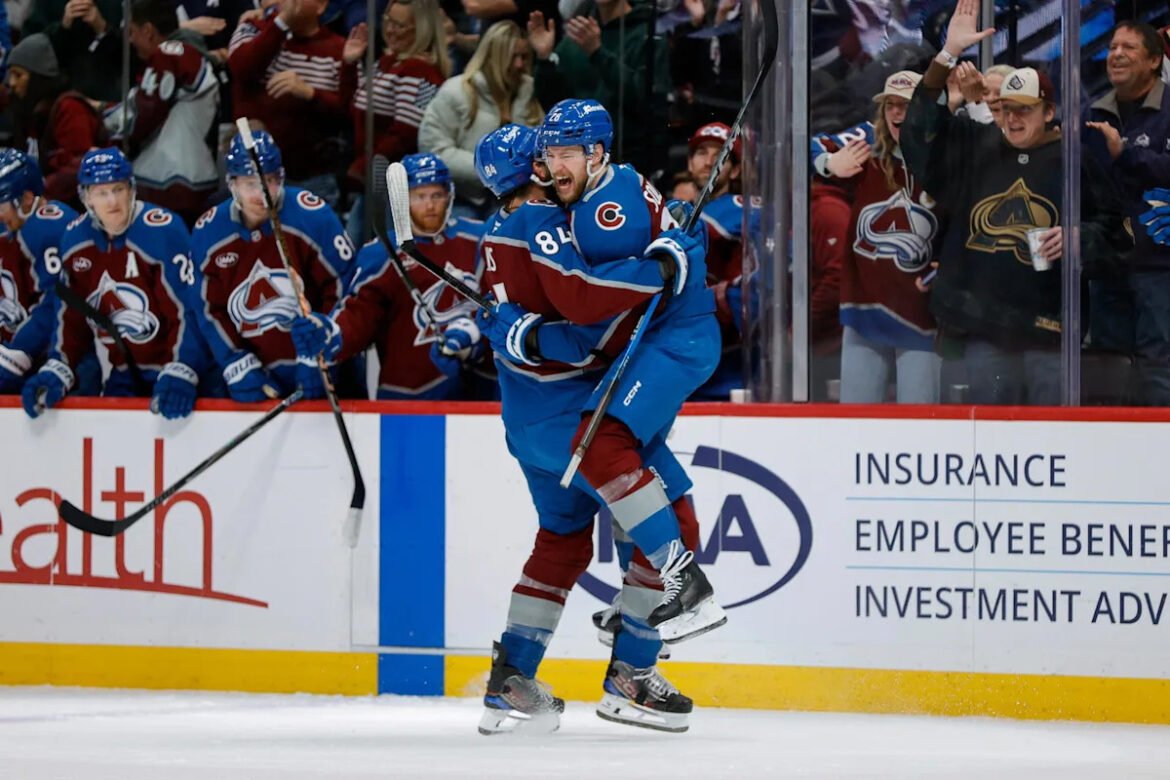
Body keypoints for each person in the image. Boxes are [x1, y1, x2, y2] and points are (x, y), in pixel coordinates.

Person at [470, 123, 705, 735]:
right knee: (672, 520)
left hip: (528, 426)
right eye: (545, 156)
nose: (554, 166)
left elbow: (502, 320)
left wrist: (516, 335)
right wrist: (664, 262)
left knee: (563, 541)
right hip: (577, 418)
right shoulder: (541, 223)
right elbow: (586, 314)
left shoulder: (491, 234)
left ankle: (510, 679)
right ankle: (633, 673)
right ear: (533, 169)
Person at [901, 0, 1128, 405]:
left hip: (1050, 331)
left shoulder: (1076, 159)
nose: (1012, 119)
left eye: (1024, 110)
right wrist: (947, 54)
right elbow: (917, 137)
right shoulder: (976, 145)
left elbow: (1118, 233)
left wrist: (1080, 237)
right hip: (984, 328)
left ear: (1049, 111)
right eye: (1005, 109)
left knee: (1050, 431)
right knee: (990, 429)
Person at [20, 147, 213, 420]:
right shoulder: (75, 240)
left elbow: (188, 309)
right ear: (86, 197)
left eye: (118, 189)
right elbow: (71, 316)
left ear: (131, 189)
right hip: (124, 373)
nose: (112, 201)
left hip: (181, 373)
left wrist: (184, 367)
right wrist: (58, 366)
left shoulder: (163, 231)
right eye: (101, 193)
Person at [290, 153, 485, 399]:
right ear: (401, 200)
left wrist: (475, 336)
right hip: (406, 397)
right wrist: (334, 335)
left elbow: (501, 300)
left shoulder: (478, 239)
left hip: (476, 394)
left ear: (450, 196)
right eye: (419, 196)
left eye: (436, 195)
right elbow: (359, 315)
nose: (430, 206)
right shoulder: (382, 254)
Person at [188, 130, 355, 402]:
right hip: (257, 371)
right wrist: (235, 361)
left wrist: (325, 347)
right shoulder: (209, 233)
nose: (262, 194)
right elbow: (207, 309)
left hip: (321, 366)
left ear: (281, 177)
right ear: (232, 184)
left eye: (269, 181)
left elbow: (345, 287)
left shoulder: (313, 218)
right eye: (250, 184)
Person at [814, 70, 941, 404]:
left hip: (921, 313)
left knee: (921, 422)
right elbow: (806, 145)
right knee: (857, 421)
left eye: (905, 105)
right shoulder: (869, 144)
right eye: (890, 105)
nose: (896, 112)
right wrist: (829, 162)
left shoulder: (947, 151)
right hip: (865, 309)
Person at [1085, 21, 1170, 405]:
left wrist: (1126, 154)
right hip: (1107, 265)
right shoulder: (1092, 112)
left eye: (1128, 47)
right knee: (1108, 370)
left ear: (1154, 60)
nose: (1116, 54)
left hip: (1160, 266)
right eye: (1112, 47)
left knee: (1159, 368)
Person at [227, 0, 359, 206]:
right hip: (251, 175)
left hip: (311, 178)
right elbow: (241, 70)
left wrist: (310, 94)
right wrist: (280, 25)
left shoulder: (339, 49)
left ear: (321, 5)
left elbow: (348, 113)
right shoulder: (252, 28)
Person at [105, 0, 220, 225]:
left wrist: (111, 138)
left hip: (172, 181)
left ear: (148, 31)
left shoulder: (168, 55)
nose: (130, 41)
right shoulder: (178, 57)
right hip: (192, 178)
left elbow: (144, 115)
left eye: (132, 32)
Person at [344, 0, 450, 240]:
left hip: (396, 188)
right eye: (388, 21)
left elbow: (405, 134)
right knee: (354, 249)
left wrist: (364, 167)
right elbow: (351, 106)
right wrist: (350, 64)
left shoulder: (420, 71)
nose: (390, 30)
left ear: (422, 30)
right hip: (374, 182)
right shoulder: (386, 63)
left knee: (387, 252)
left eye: (400, 25)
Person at [528, 0, 671, 175]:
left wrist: (597, 53)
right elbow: (555, 106)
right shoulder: (578, 35)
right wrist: (545, 59)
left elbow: (646, 100)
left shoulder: (648, 33)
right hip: (579, 165)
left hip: (630, 165)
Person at [417, 20, 542, 217]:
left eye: (524, 57)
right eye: (511, 57)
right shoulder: (455, 91)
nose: (519, 64)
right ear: (491, 57)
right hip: (461, 198)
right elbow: (434, 149)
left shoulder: (530, 93)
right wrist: (493, 169)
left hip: (516, 200)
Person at [0, 149, 88, 393]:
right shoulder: (14, 225)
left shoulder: (49, 227)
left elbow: (57, 302)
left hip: (65, 356)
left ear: (27, 199)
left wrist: (17, 352)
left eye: (1, 204)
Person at [4, 33, 106, 206]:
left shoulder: (70, 108)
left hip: (70, 207)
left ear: (38, 78)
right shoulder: (25, 108)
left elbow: (79, 167)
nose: (12, 83)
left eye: (18, 75)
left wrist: (38, 196)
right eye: (10, 75)